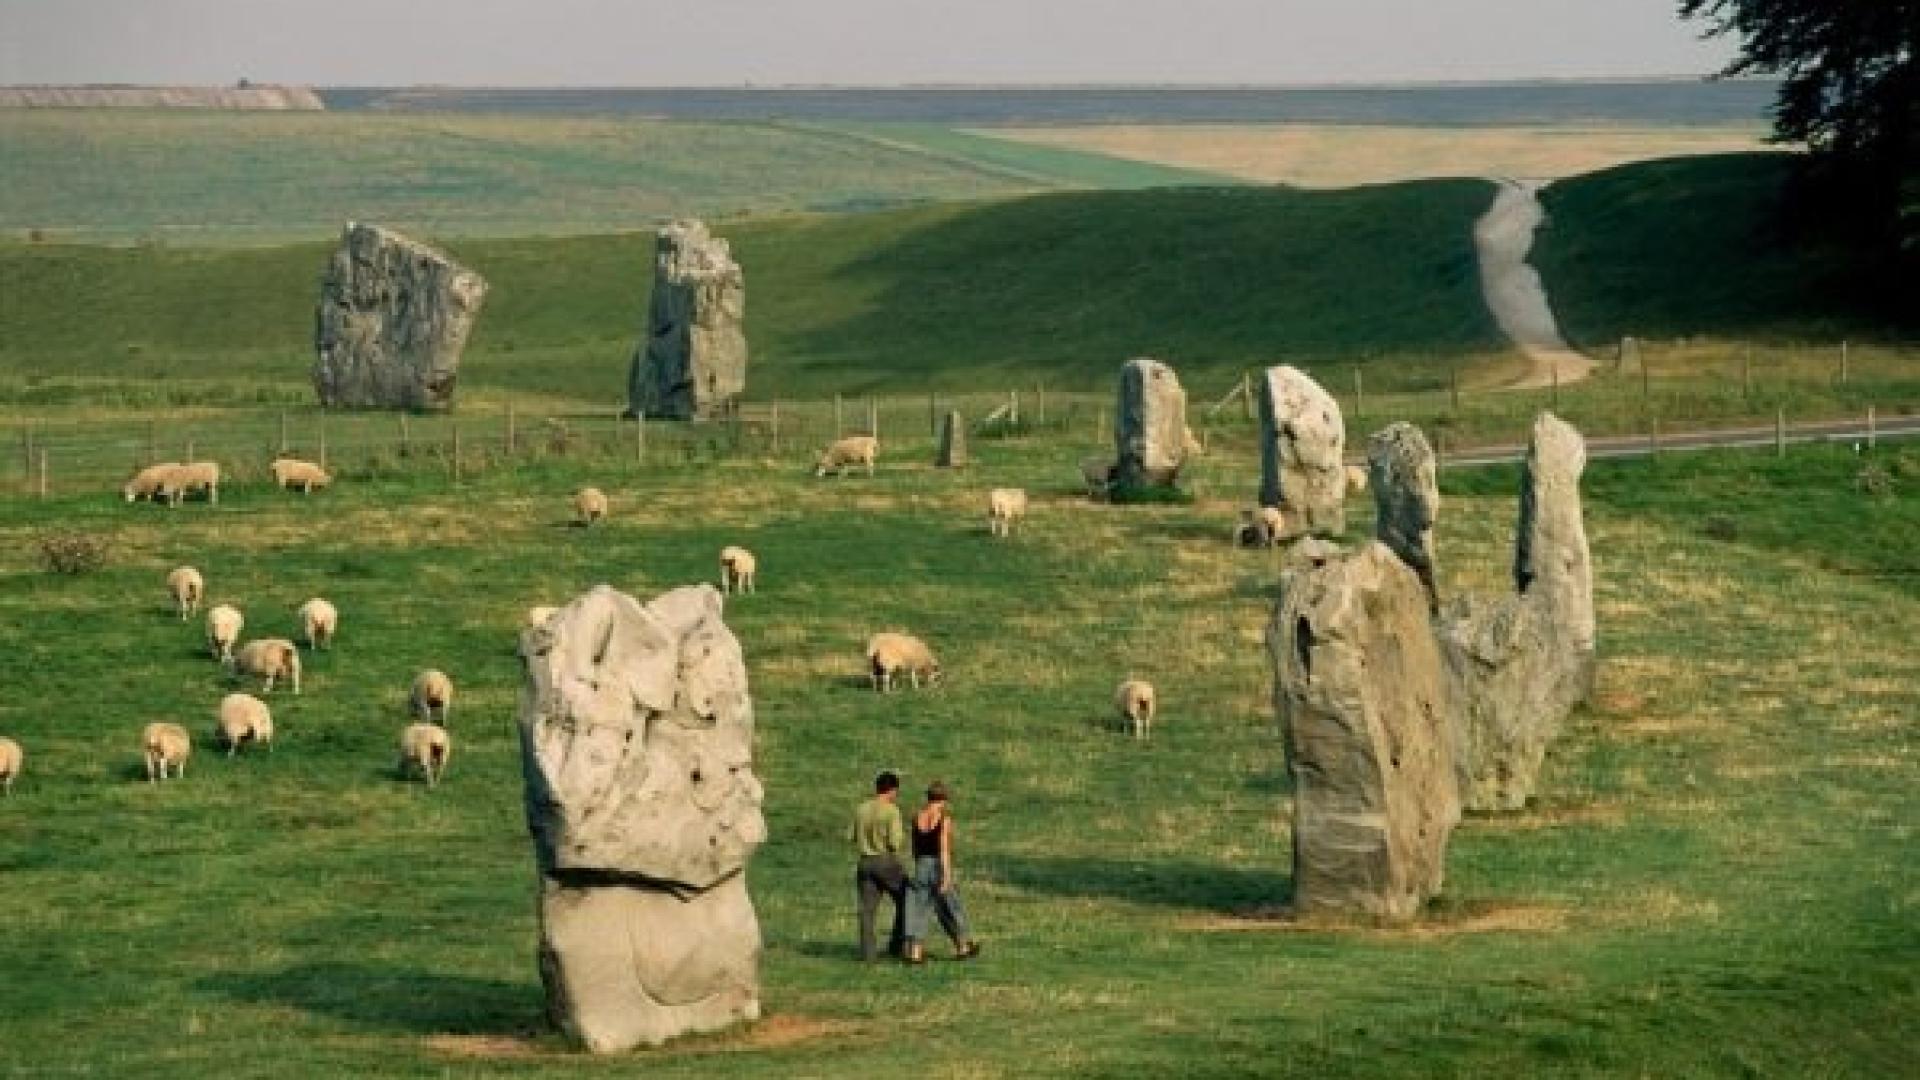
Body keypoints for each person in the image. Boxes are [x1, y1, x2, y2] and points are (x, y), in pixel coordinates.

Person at [902, 780, 980, 964]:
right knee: (951, 907)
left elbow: (914, 848)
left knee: (919, 909)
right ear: (943, 799)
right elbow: (944, 849)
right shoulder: (944, 819)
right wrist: (946, 876)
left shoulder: (917, 817)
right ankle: (963, 946)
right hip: (937, 866)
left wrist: (920, 866)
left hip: (921, 866)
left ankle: (915, 953)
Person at [849, 770, 908, 961]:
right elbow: (895, 842)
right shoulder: (891, 811)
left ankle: (868, 954)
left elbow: (852, 836)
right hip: (885, 861)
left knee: (867, 911)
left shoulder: (861, 809)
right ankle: (896, 945)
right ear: (891, 790)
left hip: (865, 861)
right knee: (906, 900)